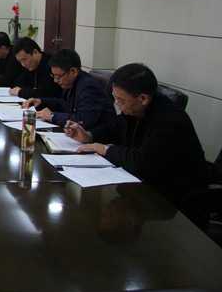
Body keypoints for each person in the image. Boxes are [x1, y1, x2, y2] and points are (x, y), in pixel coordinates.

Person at [65, 63, 209, 207]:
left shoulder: (170, 121)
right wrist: (89, 135)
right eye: (116, 98)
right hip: (145, 184)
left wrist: (105, 149)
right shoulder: (135, 110)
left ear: (143, 98)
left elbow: (141, 163)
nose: (117, 104)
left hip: (175, 198)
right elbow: (114, 127)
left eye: (121, 100)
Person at [22, 48, 115, 128]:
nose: (55, 80)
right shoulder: (73, 82)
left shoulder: (88, 87)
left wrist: (52, 116)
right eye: (54, 76)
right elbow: (63, 103)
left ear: (73, 71)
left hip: (98, 138)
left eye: (58, 76)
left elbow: (84, 120)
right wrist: (41, 101)